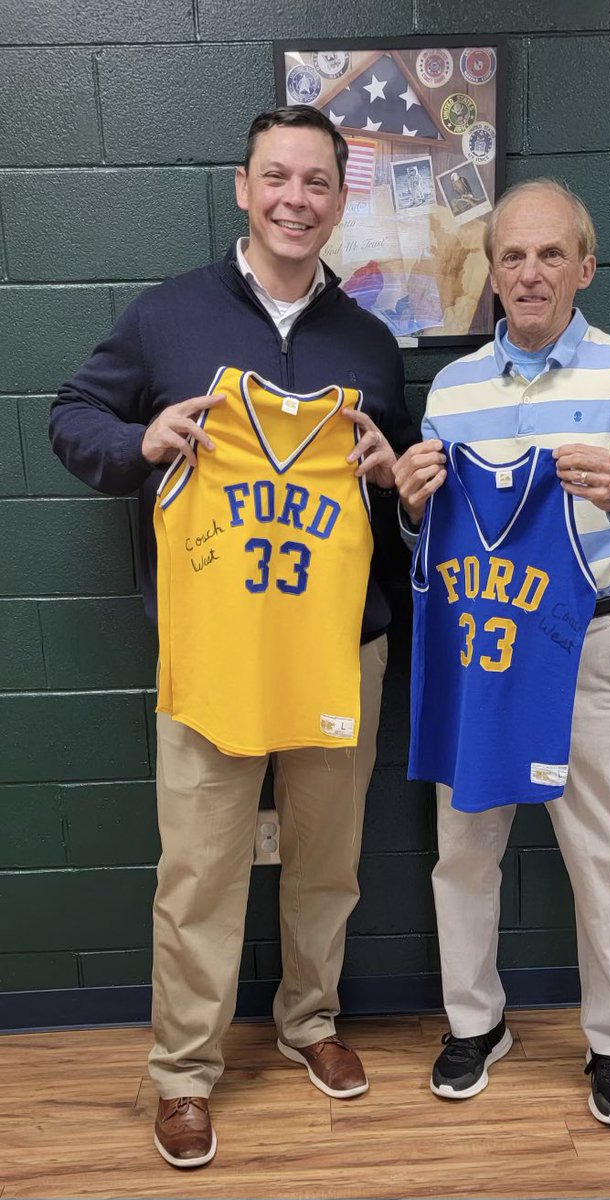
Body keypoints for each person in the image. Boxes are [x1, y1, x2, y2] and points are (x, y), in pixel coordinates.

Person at [49, 105, 413, 1168]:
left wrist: (392, 476)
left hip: (340, 645)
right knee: (200, 870)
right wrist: (141, 438)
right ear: (244, 189)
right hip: (213, 645)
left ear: (338, 202)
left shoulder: (369, 343)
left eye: (317, 183)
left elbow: (403, 485)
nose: (296, 199)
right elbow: (71, 416)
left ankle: (310, 1020)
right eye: (277, 178)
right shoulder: (167, 317)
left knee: (327, 858)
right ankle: (182, 1072)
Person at [394, 178, 610, 1126]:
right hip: (477, 644)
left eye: (550, 254)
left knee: (603, 851)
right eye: (512, 256)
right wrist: (410, 510)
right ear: (491, 272)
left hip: (586, 640)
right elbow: (429, 540)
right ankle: (473, 1023)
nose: (529, 273)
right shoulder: (451, 389)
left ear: (585, 267)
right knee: (462, 846)